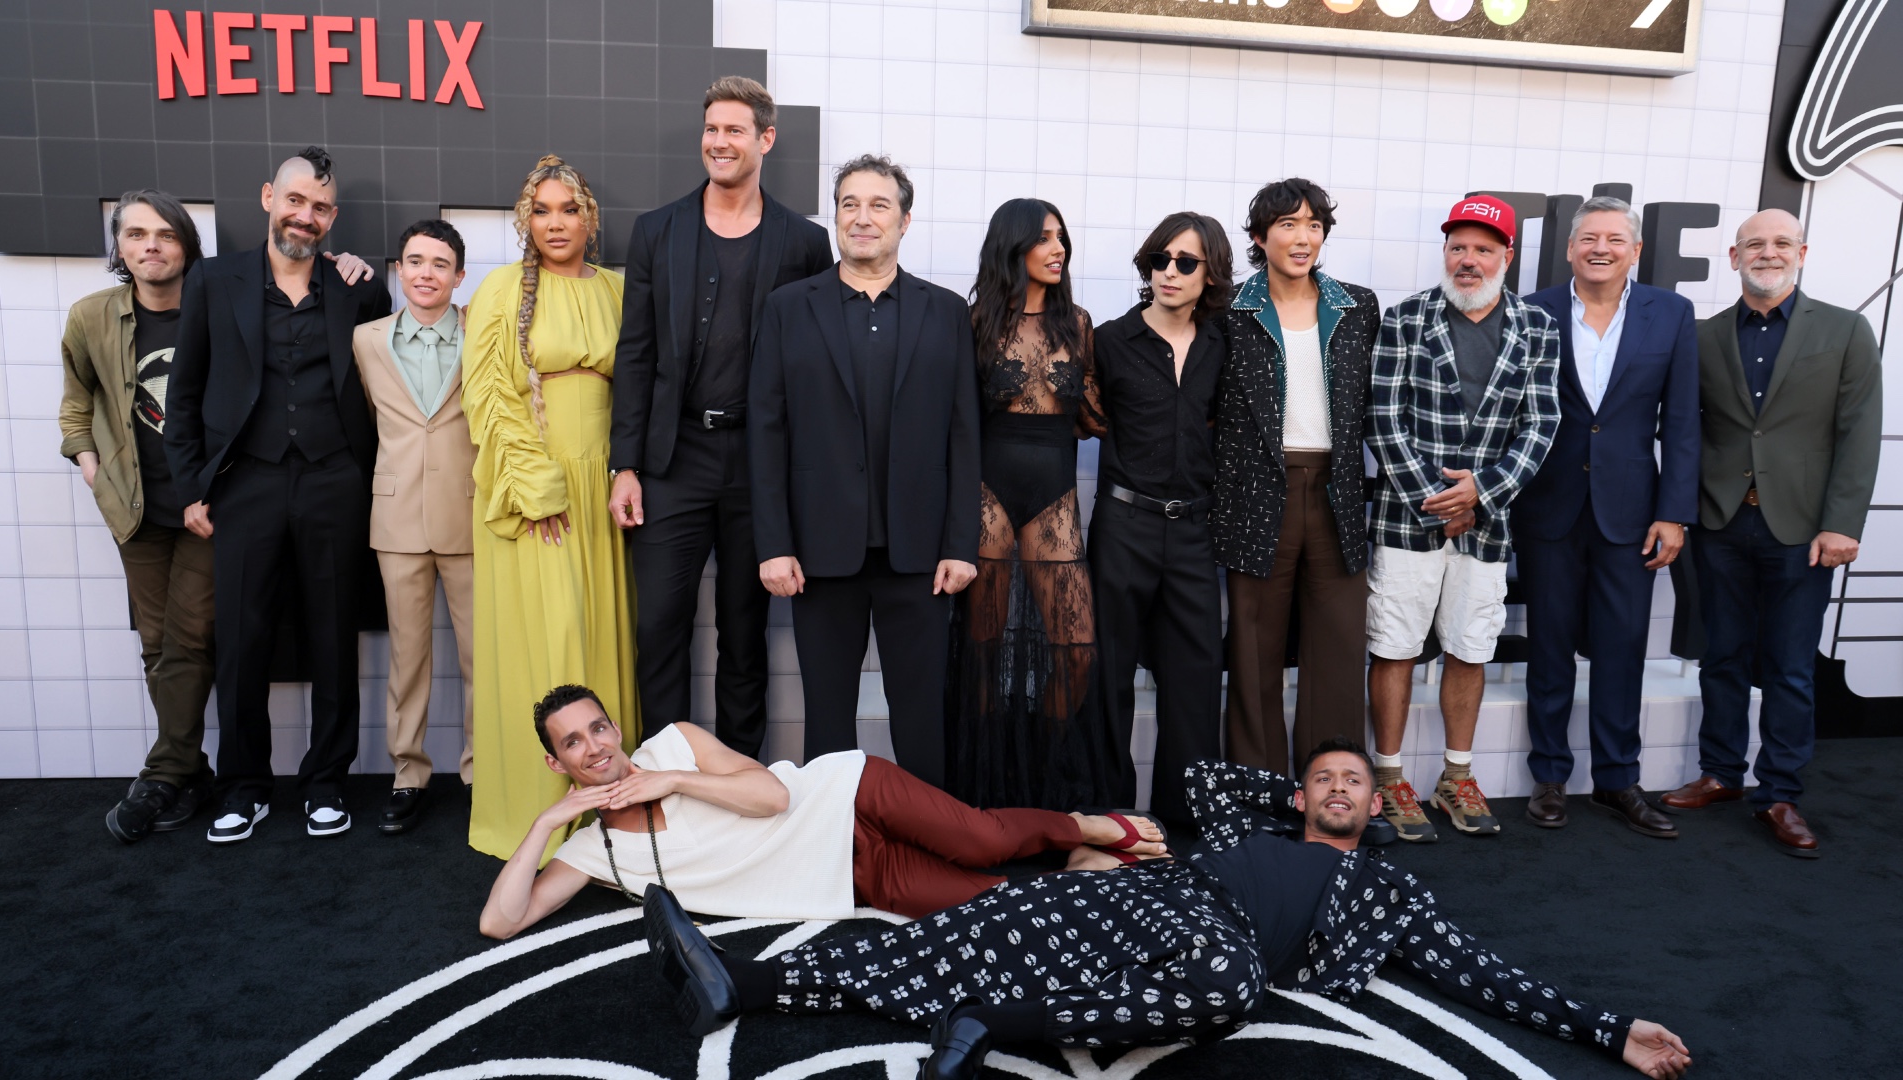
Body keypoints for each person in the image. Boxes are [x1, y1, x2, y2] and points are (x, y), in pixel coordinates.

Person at [644, 738, 1695, 1080]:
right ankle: (748, 978)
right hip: (1159, 893)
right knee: (966, 932)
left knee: (1228, 987)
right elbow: (1199, 780)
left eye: (1352, 783)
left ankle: (987, 1028)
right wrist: (1281, 790)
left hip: (1217, 942)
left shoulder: (1387, 890)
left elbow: (1483, 974)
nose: (1334, 788)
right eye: (1320, 777)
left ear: (1380, 807)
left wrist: (1611, 1031)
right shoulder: (1255, 828)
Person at [477, 684, 1166, 936]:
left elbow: (772, 798)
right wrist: (546, 822)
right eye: (573, 742)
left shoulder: (673, 746)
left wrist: (676, 783)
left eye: (598, 728)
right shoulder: (589, 853)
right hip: (846, 877)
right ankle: (1076, 866)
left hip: (846, 793)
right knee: (987, 905)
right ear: (557, 762)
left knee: (981, 839)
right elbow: (499, 923)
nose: (594, 747)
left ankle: (1086, 826)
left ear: (614, 726)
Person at [164, 148, 394, 843]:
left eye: (322, 207)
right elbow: (186, 394)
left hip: (334, 482)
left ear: (332, 218)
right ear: (269, 197)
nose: (307, 216)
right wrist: (192, 488)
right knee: (241, 640)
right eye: (296, 200)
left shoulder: (359, 288)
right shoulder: (212, 281)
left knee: (332, 636)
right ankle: (244, 785)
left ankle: (327, 780)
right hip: (247, 484)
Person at [609, 76, 834, 757]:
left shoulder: (804, 241)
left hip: (758, 468)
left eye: (735, 130)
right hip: (672, 461)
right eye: (711, 130)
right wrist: (625, 464)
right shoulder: (657, 231)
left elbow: (811, 366)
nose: (719, 142)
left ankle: (740, 779)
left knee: (745, 631)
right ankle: (662, 776)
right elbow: (637, 356)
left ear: (765, 140)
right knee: (659, 630)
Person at [748, 155, 980, 786]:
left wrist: (962, 544)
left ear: (905, 220)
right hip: (819, 557)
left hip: (921, 556)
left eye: (879, 204)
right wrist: (773, 544)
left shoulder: (946, 312)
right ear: (835, 218)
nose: (862, 217)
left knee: (922, 718)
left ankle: (930, 856)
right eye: (849, 203)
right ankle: (833, 853)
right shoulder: (788, 309)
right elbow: (765, 436)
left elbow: (965, 434)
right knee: (826, 720)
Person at [1660, 209, 1882, 859]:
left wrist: (1843, 522)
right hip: (1721, 520)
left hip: (1804, 528)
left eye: (1781, 242)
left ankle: (1779, 791)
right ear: (1733, 258)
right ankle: (1722, 773)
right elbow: (1681, 429)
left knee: (1788, 667)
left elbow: (1859, 431)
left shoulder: (1844, 330)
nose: (1768, 252)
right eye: (1754, 244)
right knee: (1722, 654)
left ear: (1802, 253)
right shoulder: (1700, 337)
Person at [1364, 195, 1559, 843]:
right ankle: (1388, 777)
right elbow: (1383, 418)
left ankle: (1456, 776)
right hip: (1406, 519)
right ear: (1445, 253)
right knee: (1394, 646)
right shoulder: (1405, 318)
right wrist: (1435, 497)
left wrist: (1484, 494)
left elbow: (1542, 423)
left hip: (1489, 522)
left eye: (1482, 248)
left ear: (1506, 257)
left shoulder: (1537, 327)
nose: (1468, 259)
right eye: (1458, 247)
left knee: (1470, 649)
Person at [462, 155, 640, 860]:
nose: (556, 222)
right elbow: (491, 398)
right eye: (542, 210)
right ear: (525, 221)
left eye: (569, 209)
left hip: (608, 486)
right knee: (553, 638)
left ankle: (615, 812)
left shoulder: (622, 289)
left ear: (591, 218)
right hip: (538, 491)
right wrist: (537, 489)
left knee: (602, 634)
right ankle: (542, 815)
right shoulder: (502, 291)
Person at [1518, 198, 1699, 839]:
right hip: (1548, 504)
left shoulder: (1671, 314)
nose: (1601, 247)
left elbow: (1681, 421)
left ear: (1635, 250)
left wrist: (1675, 512)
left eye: (1614, 239)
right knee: (1549, 646)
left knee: (1623, 649)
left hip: (1633, 512)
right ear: (1569, 249)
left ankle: (1618, 780)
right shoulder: (1532, 311)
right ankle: (1549, 776)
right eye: (1589, 237)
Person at [61, 191, 216, 842]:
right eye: (135, 235)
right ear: (119, 247)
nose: (150, 245)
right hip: (135, 510)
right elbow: (76, 406)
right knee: (156, 646)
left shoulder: (216, 311)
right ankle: (186, 772)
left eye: (165, 235)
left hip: (206, 511)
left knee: (187, 638)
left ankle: (162, 776)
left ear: (184, 245)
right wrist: (94, 471)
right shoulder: (92, 317)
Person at [948, 197, 1110, 810]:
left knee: (1077, 651)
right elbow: (953, 418)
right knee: (982, 652)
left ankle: (1041, 767)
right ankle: (988, 786)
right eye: (1044, 237)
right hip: (986, 491)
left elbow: (1093, 419)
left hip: (1054, 494)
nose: (1057, 248)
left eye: (1061, 236)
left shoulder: (1080, 324)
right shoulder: (973, 323)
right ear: (1012, 246)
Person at [1214, 178, 1378, 778]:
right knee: (1253, 650)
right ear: (1260, 237)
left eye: (1313, 224)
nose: (1302, 236)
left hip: (1336, 489)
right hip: (1256, 492)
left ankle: (1334, 789)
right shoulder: (1230, 309)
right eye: (1287, 224)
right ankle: (1259, 791)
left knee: (1338, 647)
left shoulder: (1357, 306)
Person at [1088, 212, 1234, 831]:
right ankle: (1108, 814)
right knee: (1106, 674)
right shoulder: (1110, 340)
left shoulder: (1224, 344)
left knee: (1195, 679)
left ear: (1211, 273)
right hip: (1124, 523)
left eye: (1186, 262)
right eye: (1160, 260)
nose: (1169, 272)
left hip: (1195, 530)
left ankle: (1186, 818)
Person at [350, 219, 478, 834]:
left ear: (458, 275)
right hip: (396, 514)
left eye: (439, 263)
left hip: (472, 513)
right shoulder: (366, 341)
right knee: (407, 658)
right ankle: (408, 774)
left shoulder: (486, 331)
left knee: (484, 657)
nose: (425, 273)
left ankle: (485, 773)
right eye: (413, 262)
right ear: (398, 270)